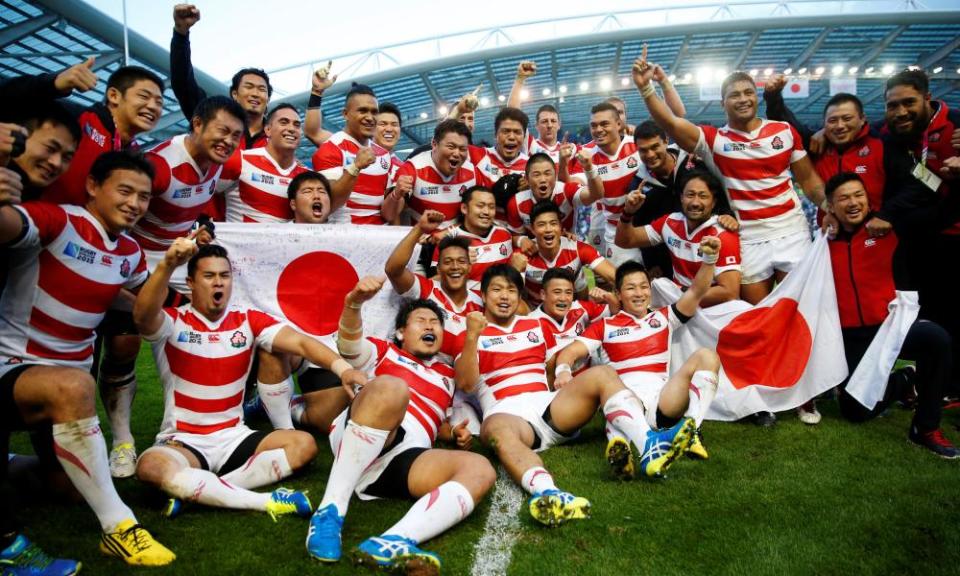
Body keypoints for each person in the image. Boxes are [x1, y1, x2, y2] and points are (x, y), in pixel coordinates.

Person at [0, 151, 174, 566]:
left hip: (60, 388)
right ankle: (119, 527)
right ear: (94, 186)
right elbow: (8, 225)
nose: (135, 203)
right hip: (13, 369)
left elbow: (139, 306)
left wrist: (167, 269)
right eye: (125, 191)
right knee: (75, 385)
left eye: (144, 197)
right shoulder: (59, 221)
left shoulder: (130, 251)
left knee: (72, 489)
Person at [132, 241, 361, 517]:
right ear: (191, 282)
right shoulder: (171, 323)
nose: (218, 283)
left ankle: (201, 492)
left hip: (233, 437)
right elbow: (142, 316)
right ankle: (264, 502)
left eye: (224, 276)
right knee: (150, 467)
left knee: (303, 445)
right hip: (186, 440)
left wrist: (343, 369)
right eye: (209, 276)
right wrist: (167, 265)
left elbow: (300, 343)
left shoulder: (247, 320)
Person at [456, 265, 696, 526]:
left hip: (549, 408)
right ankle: (550, 493)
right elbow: (467, 384)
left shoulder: (535, 325)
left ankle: (648, 444)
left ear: (520, 296)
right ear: (483, 294)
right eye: (497, 290)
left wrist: (562, 376)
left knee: (603, 373)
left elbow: (556, 358)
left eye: (511, 290)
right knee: (496, 430)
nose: (504, 297)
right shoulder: (470, 332)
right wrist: (471, 336)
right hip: (509, 414)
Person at [307, 278, 495, 572]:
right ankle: (329, 512)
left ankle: (393, 541)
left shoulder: (448, 374)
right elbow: (349, 345)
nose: (430, 326)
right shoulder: (384, 352)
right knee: (393, 389)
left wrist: (452, 434)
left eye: (435, 322)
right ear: (400, 332)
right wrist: (353, 302)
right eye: (421, 321)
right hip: (365, 432)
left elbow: (441, 420)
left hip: (403, 458)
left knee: (480, 468)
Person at [633, 57, 825, 305]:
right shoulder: (714, 141)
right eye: (734, 95)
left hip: (791, 231)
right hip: (747, 237)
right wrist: (645, 88)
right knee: (755, 314)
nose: (743, 99)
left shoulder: (784, 131)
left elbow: (809, 180)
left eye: (748, 92)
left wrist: (828, 206)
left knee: (800, 309)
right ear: (723, 102)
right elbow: (670, 123)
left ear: (757, 97)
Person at [824, 172, 958, 458]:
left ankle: (925, 428)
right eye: (844, 198)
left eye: (858, 195)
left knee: (937, 339)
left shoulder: (892, 227)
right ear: (830, 207)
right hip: (851, 335)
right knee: (856, 412)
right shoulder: (821, 239)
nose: (853, 202)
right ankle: (906, 379)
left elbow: (942, 208)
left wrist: (952, 177)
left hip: (892, 325)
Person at [554, 251, 723, 474]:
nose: (639, 293)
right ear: (618, 293)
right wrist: (563, 370)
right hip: (626, 399)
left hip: (664, 402)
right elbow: (570, 351)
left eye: (644, 286)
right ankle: (623, 442)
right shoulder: (605, 326)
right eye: (631, 288)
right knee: (611, 388)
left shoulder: (665, 317)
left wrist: (710, 259)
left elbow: (697, 290)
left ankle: (691, 430)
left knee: (707, 356)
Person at [133, 96, 246, 294]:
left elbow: (192, 203)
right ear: (198, 124)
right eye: (223, 131)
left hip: (180, 258)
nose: (228, 141)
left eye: (236, 136)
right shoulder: (159, 165)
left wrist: (203, 226)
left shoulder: (221, 163)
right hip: (139, 263)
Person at [615, 170, 742, 306]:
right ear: (681, 198)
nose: (695, 202)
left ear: (714, 201)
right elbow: (624, 241)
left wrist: (682, 293)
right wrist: (628, 212)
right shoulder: (670, 222)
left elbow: (730, 292)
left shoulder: (723, 234)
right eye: (690, 195)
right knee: (656, 287)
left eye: (703, 196)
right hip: (679, 305)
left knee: (660, 286)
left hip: (710, 309)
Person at [625, 120, 734, 278]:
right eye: (643, 150)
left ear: (666, 141)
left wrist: (727, 214)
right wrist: (651, 262)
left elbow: (716, 191)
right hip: (669, 259)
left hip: (709, 247)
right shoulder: (638, 184)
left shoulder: (693, 162)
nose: (650, 154)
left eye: (655, 146)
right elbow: (641, 224)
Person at [170, 4, 270, 151]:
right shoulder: (211, 116)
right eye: (249, 87)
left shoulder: (277, 136)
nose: (255, 93)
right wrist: (180, 34)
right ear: (234, 94)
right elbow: (183, 84)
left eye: (262, 89)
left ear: (268, 98)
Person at [567, 102, 642, 266]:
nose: (598, 129)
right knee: (625, 286)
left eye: (604, 124)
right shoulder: (586, 156)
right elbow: (573, 187)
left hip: (647, 227)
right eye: (593, 125)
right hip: (617, 233)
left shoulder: (637, 145)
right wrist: (563, 165)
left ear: (619, 124)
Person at [312, 83, 393, 225]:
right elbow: (330, 204)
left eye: (374, 112)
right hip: (345, 239)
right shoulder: (331, 148)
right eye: (363, 111)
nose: (370, 117)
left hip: (380, 238)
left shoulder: (384, 155)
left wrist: (397, 195)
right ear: (345, 114)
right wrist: (355, 167)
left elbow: (388, 214)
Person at [218, 103, 309, 223]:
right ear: (268, 130)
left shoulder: (307, 176)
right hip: (239, 241)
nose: (291, 129)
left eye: (297, 125)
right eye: (284, 122)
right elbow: (203, 192)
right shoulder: (240, 160)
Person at [520, 200, 615, 305]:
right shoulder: (523, 255)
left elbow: (614, 276)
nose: (548, 229)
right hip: (534, 314)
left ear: (560, 227)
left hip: (570, 313)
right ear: (533, 229)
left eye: (553, 223)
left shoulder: (577, 249)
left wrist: (614, 298)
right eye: (541, 225)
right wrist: (516, 269)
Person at [390, 120, 478, 228]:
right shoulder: (412, 169)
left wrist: (450, 233)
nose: (457, 154)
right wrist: (396, 195)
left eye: (462, 149)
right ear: (434, 144)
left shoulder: (473, 172)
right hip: (422, 242)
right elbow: (388, 216)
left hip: (458, 242)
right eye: (451, 147)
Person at [529, 268, 616, 375]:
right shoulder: (531, 324)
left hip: (591, 373)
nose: (563, 298)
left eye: (568, 293)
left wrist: (609, 297)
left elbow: (615, 312)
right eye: (557, 292)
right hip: (557, 383)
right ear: (543, 294)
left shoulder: (580, 308)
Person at [437, 185, 518, 291]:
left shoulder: (504, 235)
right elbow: (436, 283)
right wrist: (461, 264)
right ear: (464, 208)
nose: (486, 212)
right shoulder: (447, 241)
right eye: (480, 206)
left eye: (491, 207)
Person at [506, 152, 603, 239]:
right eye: (537, 175)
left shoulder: (567, 191)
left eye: (547, 174)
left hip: (568, 245)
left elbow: (596, 194)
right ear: (526, 179)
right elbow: (515, 237)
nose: (543, 179)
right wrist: (521, 241)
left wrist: (589, 169)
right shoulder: (516, 203)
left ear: (555, 176)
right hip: (535, 253)